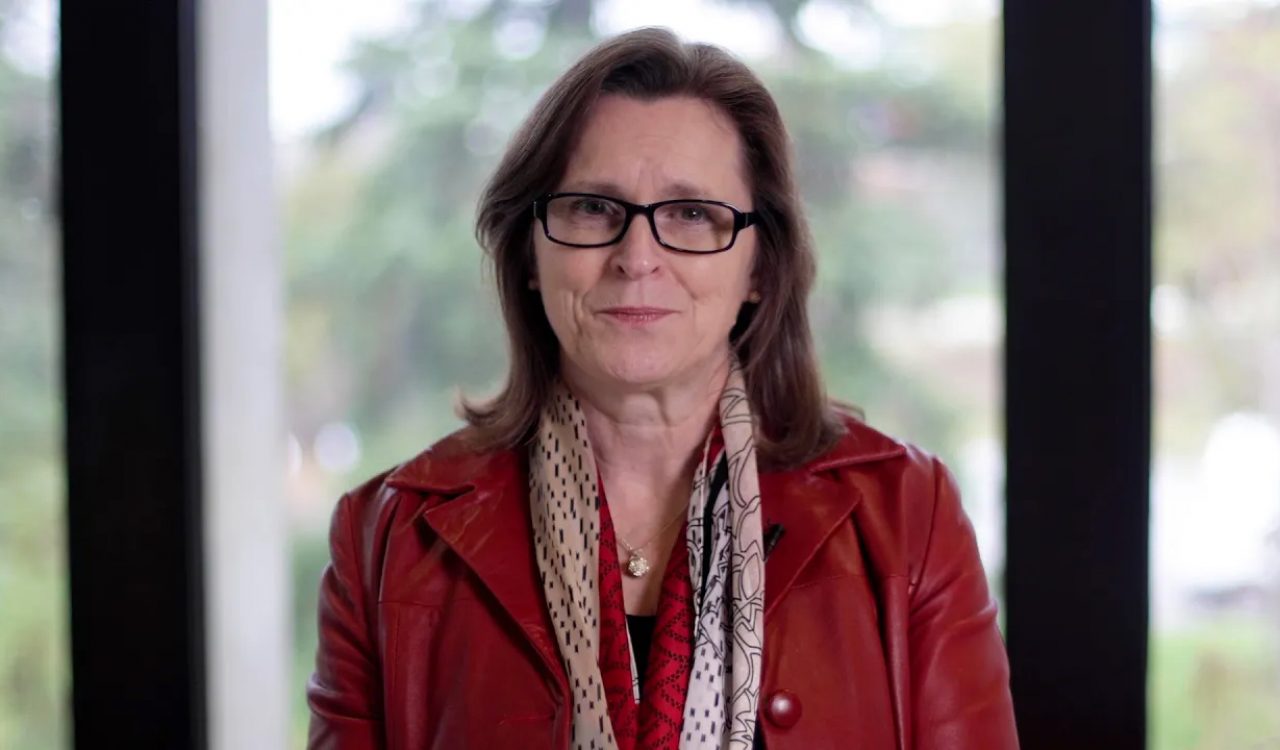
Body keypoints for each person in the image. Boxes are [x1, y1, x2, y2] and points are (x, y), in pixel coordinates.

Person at [306, 27, 1018, 750]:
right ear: (530, 251)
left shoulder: (907, 514)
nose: (637, 256)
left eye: (691, 214)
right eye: (592, 208)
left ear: (759, 270)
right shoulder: (385, 539)